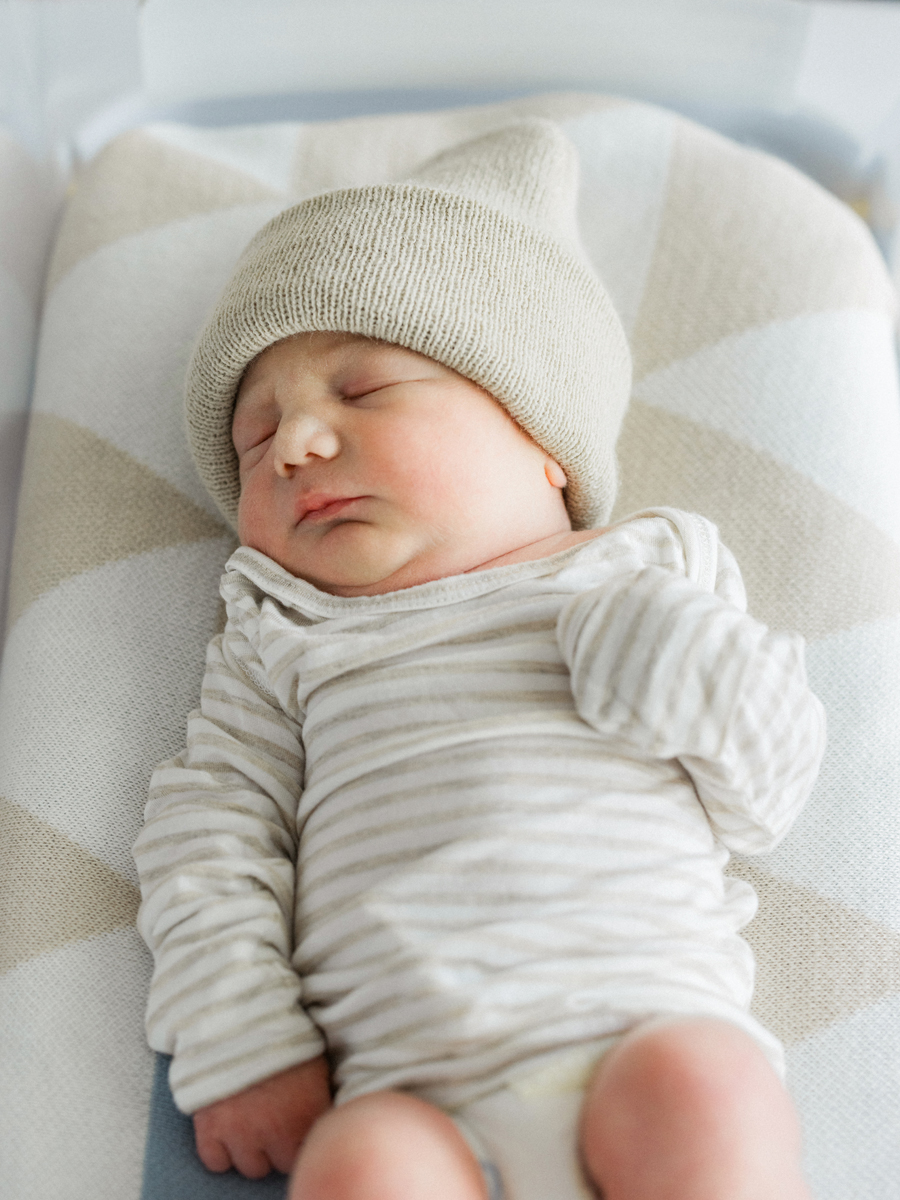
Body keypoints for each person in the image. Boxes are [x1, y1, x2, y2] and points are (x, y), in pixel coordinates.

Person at [133, 118, 825, 1200]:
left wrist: (675, 656)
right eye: (254, 439)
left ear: (540, 437)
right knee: (360, 1166)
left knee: (714, 1086)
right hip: (416, 1099)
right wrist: (238, 1032)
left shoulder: (649, 566)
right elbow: (208, 829)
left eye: (362, 392)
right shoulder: (285, 631)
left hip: (643, 1033)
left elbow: (767, 795)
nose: (297, 444)